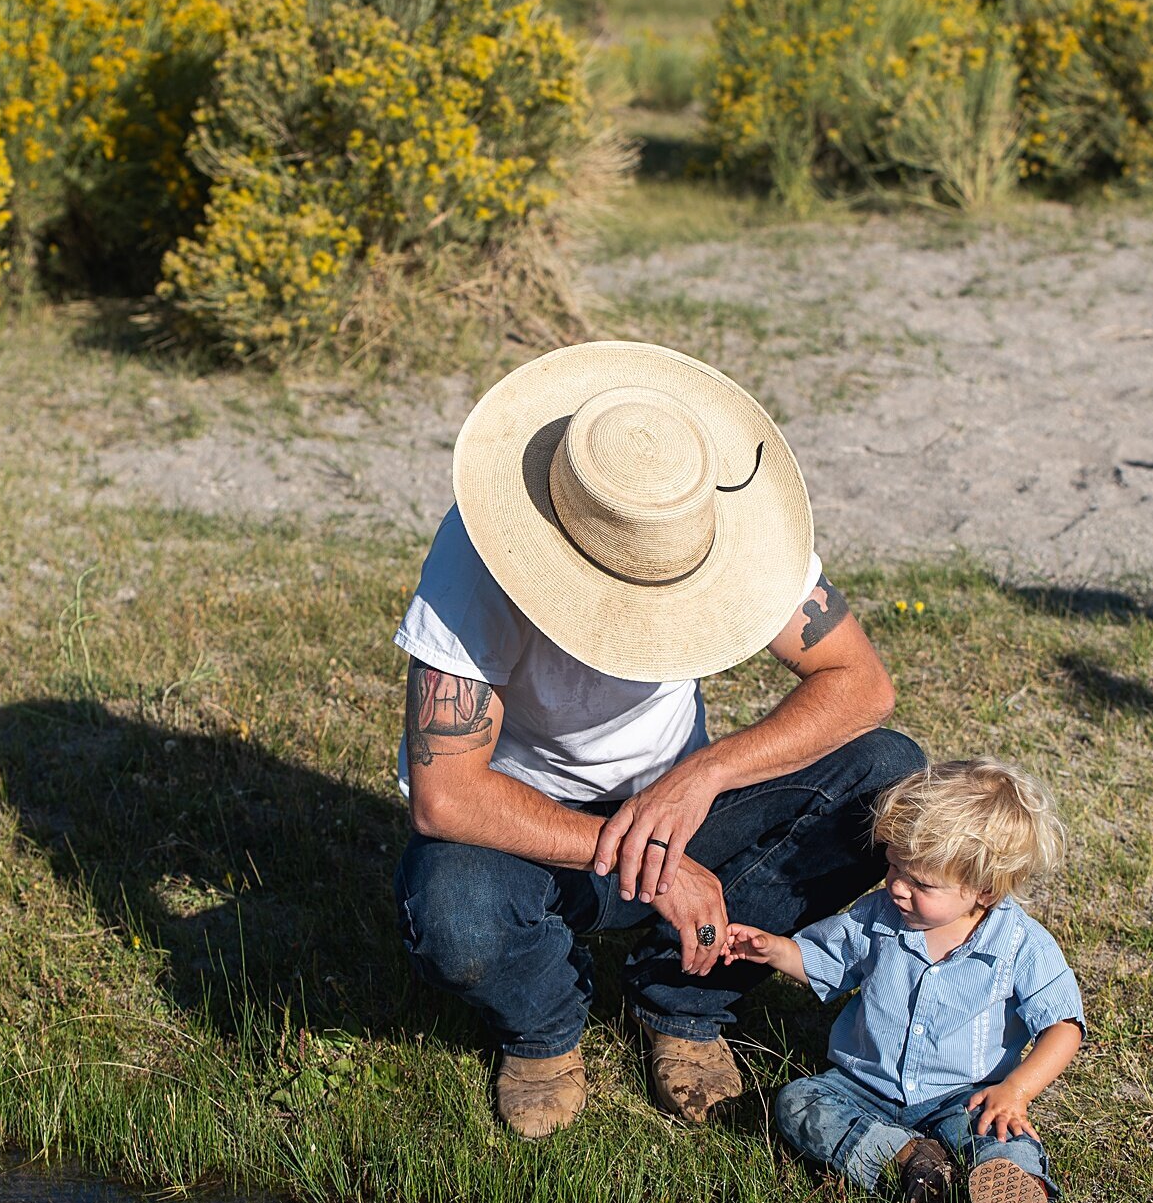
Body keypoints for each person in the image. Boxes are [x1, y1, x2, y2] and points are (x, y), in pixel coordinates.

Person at [391, 339, 921, 1138]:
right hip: (522, 827)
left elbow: (862, 685)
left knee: (890, 779)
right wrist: (646, 861)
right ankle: (542, 1027)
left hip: (675, 802)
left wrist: (701, 776)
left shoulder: (719, 523)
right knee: (455, 911)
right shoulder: (479, 557)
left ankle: (686, 999)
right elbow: (446, 792)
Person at [723, 759, 1084, 1203]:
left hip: (963, 1096)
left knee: (999, 1134)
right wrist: (773, 949)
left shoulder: (1021, 945)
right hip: (860, 1088)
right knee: (797, 1102)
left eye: (921, 883)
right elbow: (827, 961)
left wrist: (1016, 1092)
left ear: (984, 890)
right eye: (893, 867)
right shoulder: (877, 917)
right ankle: (908, 1160)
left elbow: (1063, 1027)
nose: (896, 887)